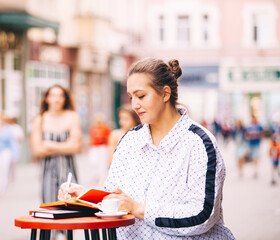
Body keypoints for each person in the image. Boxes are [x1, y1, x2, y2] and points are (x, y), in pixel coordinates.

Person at [58, 58, 234, 239]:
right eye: (131, 97)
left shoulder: (198, 143)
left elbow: (201, 216)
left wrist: (137, 208)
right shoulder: (130, 140)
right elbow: (115, 198)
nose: (134, 105)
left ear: (165, 94)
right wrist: (84, 196)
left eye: (141, 96)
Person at [30, 84, 82, 204]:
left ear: (65, 98)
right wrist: (65, 146)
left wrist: (48, 144)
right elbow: (37, 150)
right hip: (47, 172)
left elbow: (75, 147)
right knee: (50, 207)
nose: (57, 99)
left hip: (69, 171)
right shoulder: (40, 119)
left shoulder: (72, 116)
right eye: (53, 95)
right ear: (47, 98)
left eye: (60, 96)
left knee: (72, 205)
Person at [88, 114, 111, 187]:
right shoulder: (93, 128)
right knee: (94, 162)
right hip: (95, 147)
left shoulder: (106, 128)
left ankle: (103, 179)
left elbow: (108, 138)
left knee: (103, 163)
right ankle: (96, 178)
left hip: (103, 147)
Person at [244, 114, 263, 179]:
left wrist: (259, 137)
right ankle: (254, 168)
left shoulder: (259, 126)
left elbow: (262, 134)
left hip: (257, 143)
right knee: (253, 157)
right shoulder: (249, 126)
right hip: (251, 143)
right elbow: (246, 134)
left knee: (255, 156)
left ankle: (255, 170)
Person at [7, 117, 24, 181]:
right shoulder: (7, 127)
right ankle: (7, 176)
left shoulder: (17, 128)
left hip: (15, 147)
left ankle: (12, 177)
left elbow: (20, 138)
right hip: (8, 148)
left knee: (13, 163)